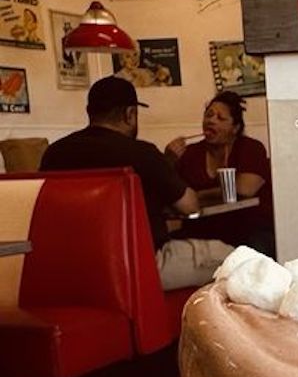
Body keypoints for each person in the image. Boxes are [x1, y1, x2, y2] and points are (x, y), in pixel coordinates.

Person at [39, 76, 233, 290]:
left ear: (89, 112)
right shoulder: (142, 153)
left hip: (71, 266)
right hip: (137, 265)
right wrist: (166, 164)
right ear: (129, 114)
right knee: (236, 257)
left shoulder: (54, 153)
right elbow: (190, 206)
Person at [165, 91, 275, 256]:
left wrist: (197, 196)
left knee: (252, 252)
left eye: (221, 118)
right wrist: (168, 161)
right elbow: (170, 196)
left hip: (249, 227)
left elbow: (245, 189)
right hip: (203, 229)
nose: (211, 120)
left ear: (235, 128)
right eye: (208, 115)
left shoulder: (251, 148)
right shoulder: (190, 153)